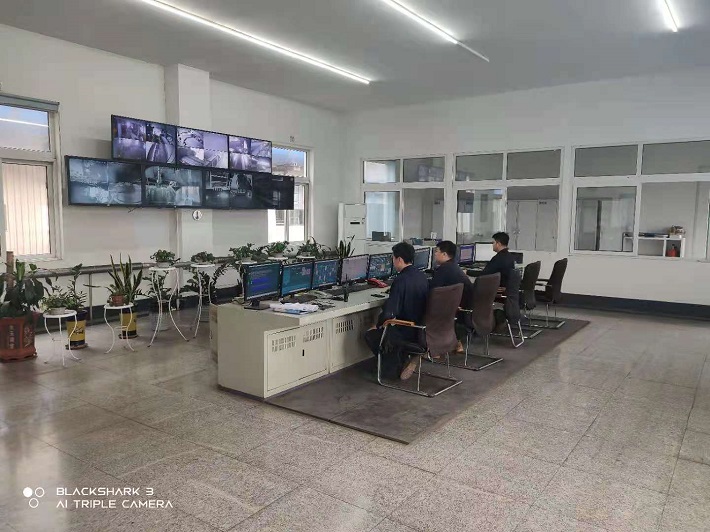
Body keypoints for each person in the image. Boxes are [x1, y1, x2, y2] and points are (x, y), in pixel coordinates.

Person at [364, 242, 429, 381]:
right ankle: (403, 358)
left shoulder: (400, 280)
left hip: (406, 329)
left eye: (393, 258)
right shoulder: (422, 276)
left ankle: (393, 367)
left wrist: (378, 325)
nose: (393, 262)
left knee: (371, 334)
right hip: (421, 328)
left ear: (399, 259)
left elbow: (389, 313)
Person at [429, 240, 473, 353]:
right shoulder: (454, 267)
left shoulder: (444, 270)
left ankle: (432, 349)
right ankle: (453, 342)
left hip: (456, 312)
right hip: (463, 310)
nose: (435, 254)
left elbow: (432, 291)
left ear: (444, 254)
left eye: (437, 251)